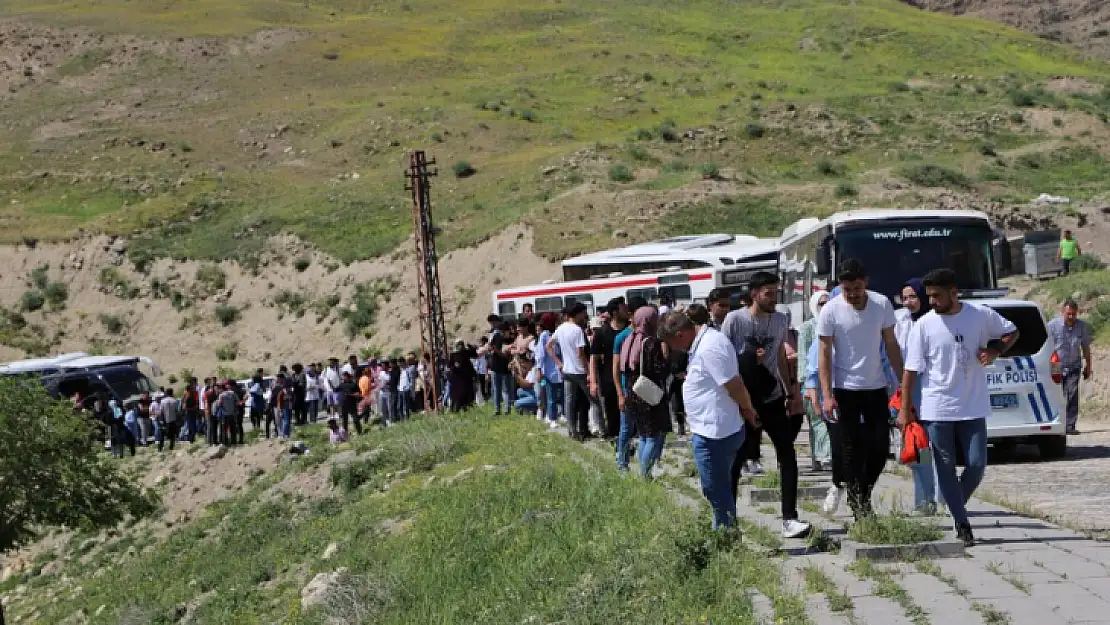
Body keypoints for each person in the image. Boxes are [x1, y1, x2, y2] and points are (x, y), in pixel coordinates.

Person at [899, 268, 1019, 546]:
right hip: (937, 409)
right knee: (946, 467)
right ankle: (962, 523)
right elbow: (910, 371)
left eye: (937, 296)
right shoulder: (924, 326)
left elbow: (1012, 331)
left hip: (973, 405)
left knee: (977, 464)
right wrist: (905, 409)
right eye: (928, 296)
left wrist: (995, 350)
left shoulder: (979, 315)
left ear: (954, 292)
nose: (932, 302)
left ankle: (955, 506)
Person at [721, 272, 812, 538]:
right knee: (737, 458)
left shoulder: (781, 319)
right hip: (743, 397)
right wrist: (747, 359)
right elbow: (723, 357)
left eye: (776, 292)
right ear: (754, 294)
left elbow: (782, 357)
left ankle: (789, 518)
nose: (774, 298)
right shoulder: (735, 320)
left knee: (787, 453)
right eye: (768, 293)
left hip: (771, 395)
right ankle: (727, 520)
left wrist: (792, 391)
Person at [817, 259, 904, 520]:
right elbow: (824, 353)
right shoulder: (831, 310)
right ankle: (858, 504)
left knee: (879, 448)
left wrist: (902, 385)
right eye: (846, 290)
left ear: (865, 282)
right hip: (845, 388)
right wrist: (827, 395)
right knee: (850, 448)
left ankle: (862, 493)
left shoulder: (881, 304)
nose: (852, 295)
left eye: (856, 288)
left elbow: (891, 345)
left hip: (876, 385)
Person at [658, 310, 759, 529]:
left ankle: (726, 537)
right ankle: (724, 532)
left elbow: (734, 384)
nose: (673, 350)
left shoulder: (710, 346)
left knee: (716, 488)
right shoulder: (702, 344)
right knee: (717, 487)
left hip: (716, 432)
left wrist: (748, 409)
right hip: (711, 428)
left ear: (680, 335)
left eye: (670, 343)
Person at [895, 278, 942, 514]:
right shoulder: (900, 322)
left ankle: (944, 498)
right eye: (904, 298)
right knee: (916, 445)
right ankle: (924, 501)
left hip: (934, 389)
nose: (908, 302)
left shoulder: (936, 322)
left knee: (940, 446)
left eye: (913, 296)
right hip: (909, 392)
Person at [620, 306, 671, 478]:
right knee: (652, 436)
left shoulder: (630, 339)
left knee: (643, 435)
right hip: (649, 394)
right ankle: (646, 474)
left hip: (634, 391)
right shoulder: (651, 342)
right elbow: (658, 370)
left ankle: (643, 473)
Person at [1047, 299, 1093, 435]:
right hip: (1056, 365)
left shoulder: (1081, 327)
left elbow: (1085, 347)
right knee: (1057, 394)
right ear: (1063, 313)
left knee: (1072, 394)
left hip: (1074, 365)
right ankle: (1056, 423)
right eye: (1069, 314)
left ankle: (1070, 426)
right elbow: (1046, 347)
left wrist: (1088, 366)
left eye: (1074, 314)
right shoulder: (1052, 326)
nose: (1071, 317)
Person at [613, 297, 649, 469]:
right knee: (626, 428)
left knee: (644, 429)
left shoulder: (650, 335)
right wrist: (620, 393)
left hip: (646, 390)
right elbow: (616, 369)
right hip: (628, 389)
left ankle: (644, 464)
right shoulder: (622, 337)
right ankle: (622, 462)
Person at [549, 302, 591, 441]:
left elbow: (548, 346)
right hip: (579, 371)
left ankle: (572, 431)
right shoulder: (577, 330)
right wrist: (588, 370)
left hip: (567, 370)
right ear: (578, 313)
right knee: (594, 400)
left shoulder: (561, 328)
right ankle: (601, 429)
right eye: (583, 313)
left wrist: (558, 363)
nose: (584, 315)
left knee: (569, 402)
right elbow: (580, 353)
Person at [591, 297, 628, 439]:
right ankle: (615, 440)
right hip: (608, 379)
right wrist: (593, 382)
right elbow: (593, 359)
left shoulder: (629, 330)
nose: (626, 309)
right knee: (612, 413)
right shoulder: (602, 333)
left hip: (628, 376)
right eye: (622, 307)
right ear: (615, 312)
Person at [536, 313, 563, 427]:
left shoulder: (556, 333)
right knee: (550, 394)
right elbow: (541, 354)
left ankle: (559, 414)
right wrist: (539, 369)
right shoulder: (544, 336)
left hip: (558, 369)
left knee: (560, 394)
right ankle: (552, 418)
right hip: (547, 370)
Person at [448, 339, 478, 412]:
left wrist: (470, 346)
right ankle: (456, 409)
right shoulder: (453, 354)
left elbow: (475, 355)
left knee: (467, 393)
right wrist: (455, 366)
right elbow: (449, 365)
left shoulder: (466, 352)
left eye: (461, 344)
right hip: (457, 378)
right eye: (459, 344)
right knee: (458, 395)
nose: (460, 346)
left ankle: (467, 408)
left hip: (466, 377)